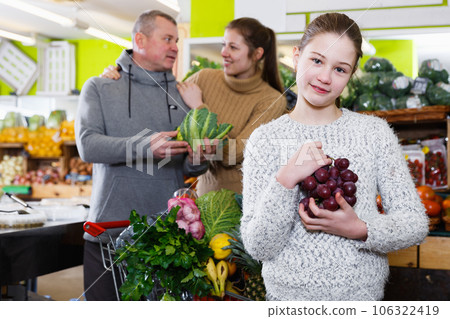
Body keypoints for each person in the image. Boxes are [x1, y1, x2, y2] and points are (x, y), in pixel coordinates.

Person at [241, 12, 429, 301]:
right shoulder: (263, 140)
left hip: (360, 300)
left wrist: (361, 229)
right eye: (316, 60)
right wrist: (286, 178)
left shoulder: (375, 134)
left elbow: (414, 223)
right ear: (296, 56)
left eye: (340, 69)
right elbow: (259, 247)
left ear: (351, 75)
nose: (325, 77)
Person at [75, 10, 213, 301]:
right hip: (108, 235)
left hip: (168, 238)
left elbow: (190, 165)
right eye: (167, 39)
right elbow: (88, 146)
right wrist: (145, 146)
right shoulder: (100, 86)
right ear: (139, 39)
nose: (175, 46)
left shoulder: (182, 94)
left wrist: (202, 155)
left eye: (176, 40)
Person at [102, 17, 287, 196]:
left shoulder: (272, 100)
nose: (224, 52)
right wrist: (121, 78)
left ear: (257, 54)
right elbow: (159, 101)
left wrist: (199, 107)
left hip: (242, 206)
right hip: (203, 202)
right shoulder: (204, 78)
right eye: (224, 44)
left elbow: (234, 154)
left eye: (233, 47)